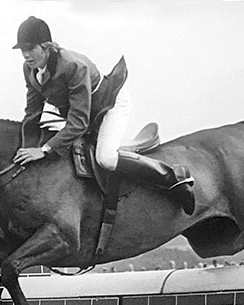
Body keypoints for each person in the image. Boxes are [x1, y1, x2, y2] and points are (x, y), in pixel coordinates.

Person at [10, 16, 195, 215]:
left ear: (46, 47)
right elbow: (32, 113)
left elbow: (78, 123)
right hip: (86, 114)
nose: (26, 55)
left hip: (110, 105)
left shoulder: (73, 66)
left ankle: (172, 177)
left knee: (105, 158)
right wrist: (27, 148)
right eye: (22, 50)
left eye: (30, 48)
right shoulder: (29, 69)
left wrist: (45, 150)